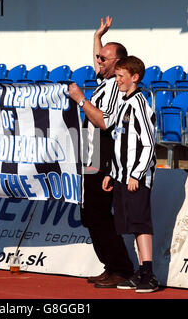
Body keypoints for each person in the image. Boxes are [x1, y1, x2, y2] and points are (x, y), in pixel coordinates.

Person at [68, 16, 134, 288]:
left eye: (104, 59)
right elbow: (100, 55)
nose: (98, 61)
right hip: (89, 157)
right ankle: (110, 265)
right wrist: (98, 35)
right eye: (99, 57)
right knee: (91, 217)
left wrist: (81, 99)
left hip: (104, 161)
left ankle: (122, 267)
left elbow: (103, 121)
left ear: (118, 64)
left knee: (100, 216)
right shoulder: (104, 80)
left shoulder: (118, 87)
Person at [102, 56, 158, 293]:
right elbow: (119, 141)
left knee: (141, 222)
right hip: (121, 176)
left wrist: (137, 173)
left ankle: (149, 272)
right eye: (116, 76)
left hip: (137, 177)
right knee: (131, 225)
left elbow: (148, 143)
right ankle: (140, 270)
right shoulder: (123, 103)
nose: (117, 81)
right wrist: (111, 173)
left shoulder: (139, 103)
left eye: (121, 76)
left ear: (134, 77)